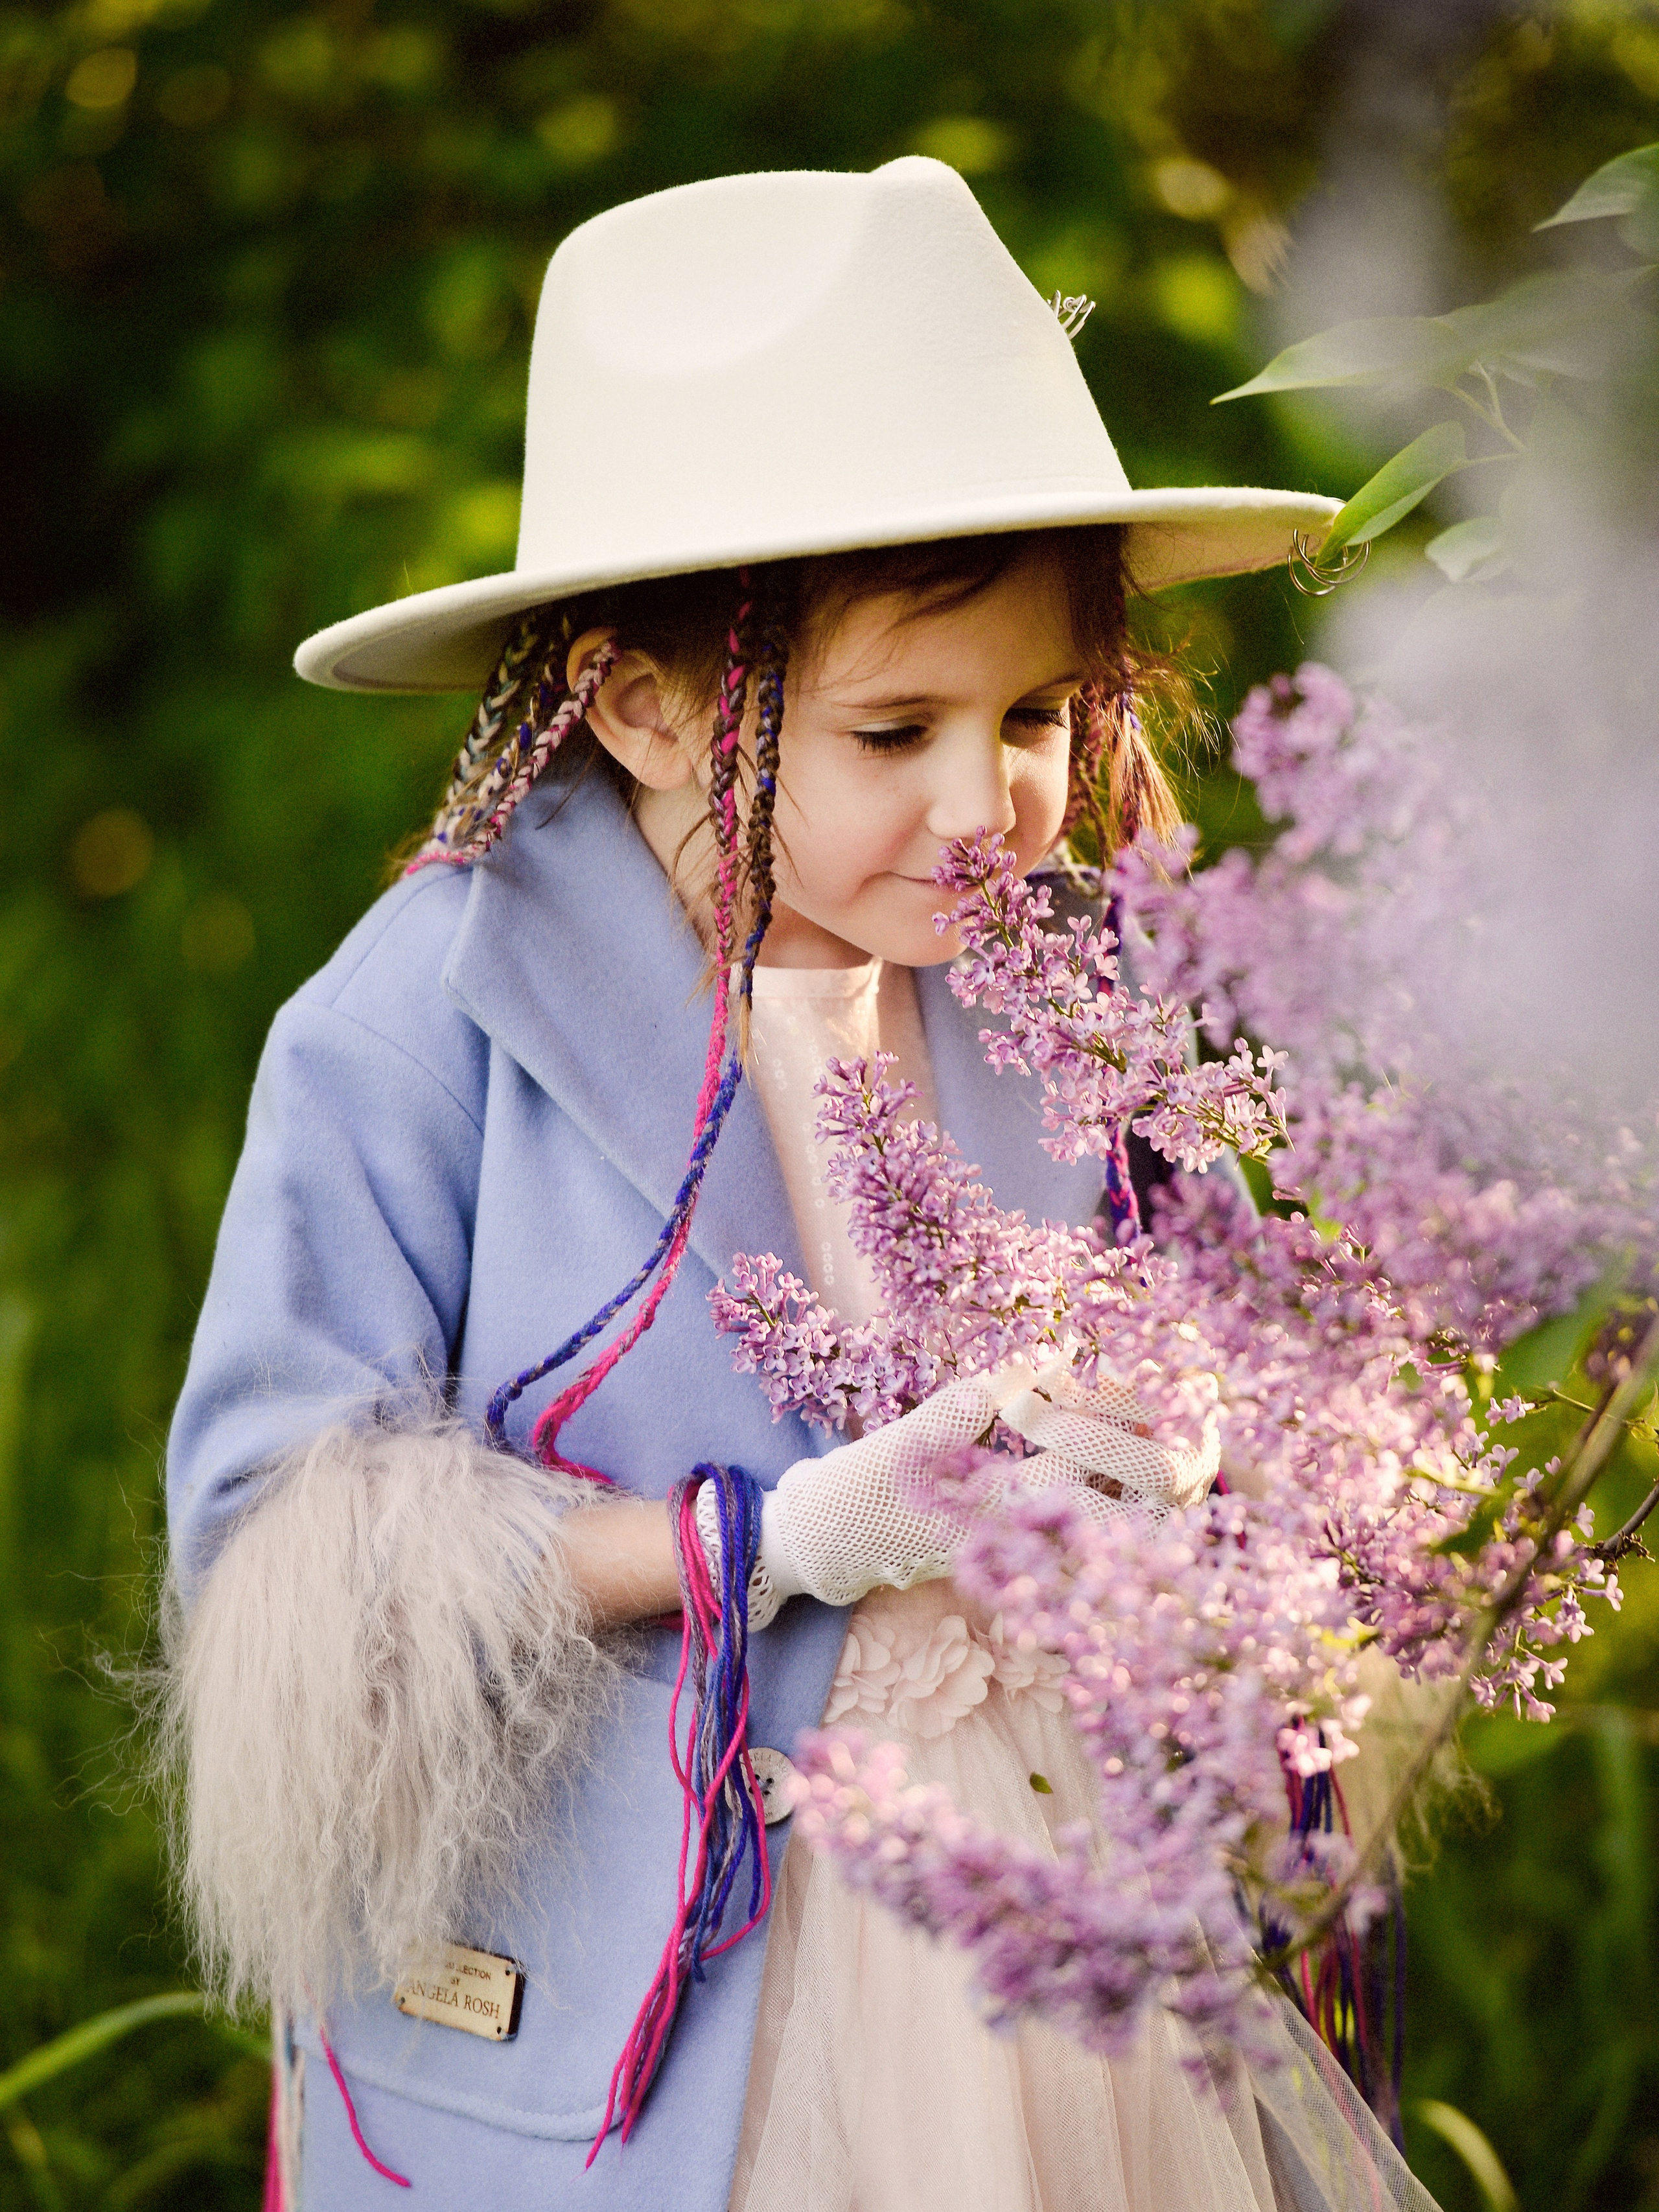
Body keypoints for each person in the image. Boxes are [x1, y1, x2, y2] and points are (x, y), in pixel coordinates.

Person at [163, 157, 1432, 2211]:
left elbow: (1206, 1290)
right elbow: (278, 1550)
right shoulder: (417, 1026)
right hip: (666, 1963)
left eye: (1038, 714)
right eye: (894, 728)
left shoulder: (1066, 966)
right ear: (646, 708)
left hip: (1037, 1891)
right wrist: (763, 1538)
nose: (987, 804)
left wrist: (1208, 1438)